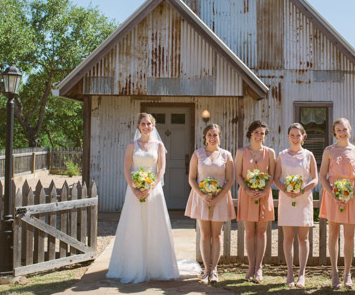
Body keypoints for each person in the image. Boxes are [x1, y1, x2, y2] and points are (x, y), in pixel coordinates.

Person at [106, 113, 179, 283]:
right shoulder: (132, 145)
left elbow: (161, 169)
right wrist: (134, 188)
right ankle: (133, 265)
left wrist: (152, 186)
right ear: (138, 126)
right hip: (134, 191)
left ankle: (156, 265)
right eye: (143, 124)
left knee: (155, 225)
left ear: (153, 126)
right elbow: (126, 167)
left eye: (149, 124)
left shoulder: (159, 145)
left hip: (154, 191)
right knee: (134, 226)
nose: (146, 126)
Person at [185, 123, 236, 284]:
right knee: (205, 235)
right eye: (210, 135)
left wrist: (218, 196)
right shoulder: (197, 154)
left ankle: (214, 270)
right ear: (205, 137)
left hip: (220, 199)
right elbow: (192, 178)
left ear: (220, 136)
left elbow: (229, 180)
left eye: (215, 135)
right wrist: (202, 194)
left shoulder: (226, 155)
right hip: (201, 199)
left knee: (217, 234)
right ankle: (206, 270)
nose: (213, 138)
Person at [319, 118, 355, 290]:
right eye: (338, 130)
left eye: (344, 129)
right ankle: (334, 272)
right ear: (334, 132)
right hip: (332, 197)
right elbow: (322, 175)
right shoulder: (329, 151)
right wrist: (333, 195)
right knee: (333, 234)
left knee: (349, 236)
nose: (342, 132)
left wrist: (350, 195)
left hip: (351, 198)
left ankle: (348, 273)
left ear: (350, 129)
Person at [274, 123, 318, 288]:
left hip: (303, 198)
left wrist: (302, 190)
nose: (295, 138)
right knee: (288, 238)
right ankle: (290, 272)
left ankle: (302, 274)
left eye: (297, 135)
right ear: (288, 137)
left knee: (303, 237)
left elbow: (315, 178)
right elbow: (276, 178)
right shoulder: (282, 155)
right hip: (286, 198)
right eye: (292, 135)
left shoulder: (309, 155)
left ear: (303, 137)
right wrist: (285, 189)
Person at [234, 120, 276, 283]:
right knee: (250, 231)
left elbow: (272, 174)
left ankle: (259, 268)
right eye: (256, 132)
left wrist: (265, 190)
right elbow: (238, 174)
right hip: (247, 194)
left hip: (264, 195)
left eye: (262, 133)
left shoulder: (270, 153)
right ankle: (251, 267)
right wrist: (247, 189)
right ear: (250, 133)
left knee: (261, 232)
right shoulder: (241, 152)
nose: (259, 136)